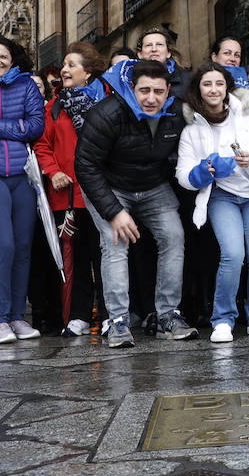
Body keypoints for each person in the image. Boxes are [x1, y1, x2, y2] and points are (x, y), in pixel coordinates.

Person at [74, 58, 199, 346]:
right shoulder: (107, 114)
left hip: (153, 186)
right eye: (144, 90)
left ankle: (168, 315)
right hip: (110, 187)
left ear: (169, 90)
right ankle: (118, 320)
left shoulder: (177, 114)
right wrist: (114, 212)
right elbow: (85, 165)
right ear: (132, 87)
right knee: (115, 242)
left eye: (158, 91)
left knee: (174, 236)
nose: (151, 98)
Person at [177, 63, 249, 342]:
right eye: (207, 84)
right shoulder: (191, 129)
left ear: (227, 88)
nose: (214, 89)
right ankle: (222, 319)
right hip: (221, 196)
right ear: (198, 90)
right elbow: (183, 175)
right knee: (233, 254)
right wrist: (203, 171)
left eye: (219, 84)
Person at [0, 36, 46, 344]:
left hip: (22, 175)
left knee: (23, 246)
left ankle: (17, 316)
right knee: (2, 245)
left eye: (3, 56)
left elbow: (35, 126)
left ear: (13, 60)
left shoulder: (27, 85)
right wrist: (8, 127)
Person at [34, 41, 108, 336]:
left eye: (71, 65)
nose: (64, 70)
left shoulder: (106, 103)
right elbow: (42, 145)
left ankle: (108, 314)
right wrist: (53, 172)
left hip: (101, 194)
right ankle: (78, 315)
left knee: (104, 257)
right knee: (76, 258)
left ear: (87, 73)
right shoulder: (54, 107)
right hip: (68, 196)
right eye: (64, 65)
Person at [138, 26, 190, 92]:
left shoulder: (187, 79)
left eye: (159, 44)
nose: (154, 49)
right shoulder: (128, 79)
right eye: (148, 45)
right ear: (140, 54)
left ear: (169, 53)